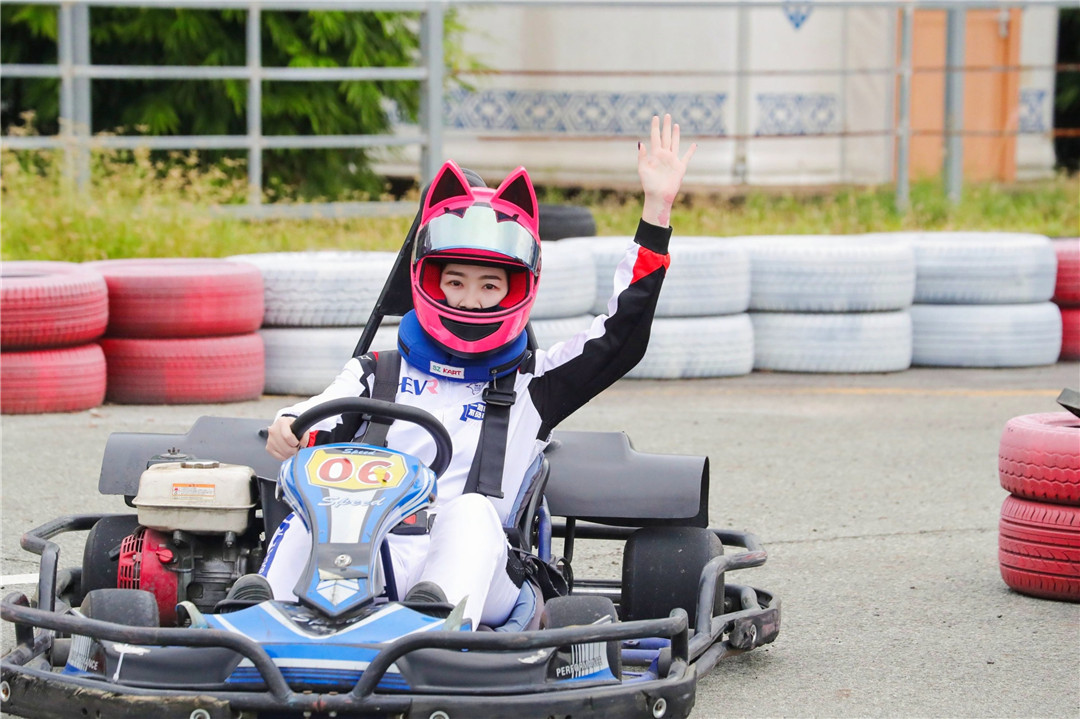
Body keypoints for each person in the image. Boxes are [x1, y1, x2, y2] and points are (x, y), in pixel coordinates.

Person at [262, 114, 696, 630]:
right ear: (429, 281)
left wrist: (657, 211)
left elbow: (620, 336)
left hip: (479, 573)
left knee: (469, 512)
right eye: (456, 282)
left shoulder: (537, 387)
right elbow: (311, 417)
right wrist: (289, 427)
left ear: (515, 290)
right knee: (311, 514)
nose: (470, 299)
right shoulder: (375, 373)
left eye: (489, 286)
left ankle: (434, 631)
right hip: (362, 562)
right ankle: (260, 615)